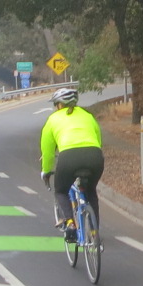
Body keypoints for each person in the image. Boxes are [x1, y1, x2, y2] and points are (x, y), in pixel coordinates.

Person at [40, 87, 103, 242]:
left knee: (60, 191)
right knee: (91, 192)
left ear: (59, 105)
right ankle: (95, 233)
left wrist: (46, 171)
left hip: (69, 157)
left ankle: (70, 222)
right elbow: (98, 140)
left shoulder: (53, 119)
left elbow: (47, 152)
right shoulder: (88, 116)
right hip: (94, 155)